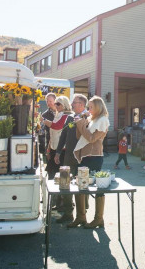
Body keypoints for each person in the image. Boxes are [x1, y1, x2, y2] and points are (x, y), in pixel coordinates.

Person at [71, 95, 109, 229]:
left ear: (98, 107)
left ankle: (99, 218)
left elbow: (92, 138)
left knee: (98, 187)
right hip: (86, 156)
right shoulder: (91, 120)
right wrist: (81, 123)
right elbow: (79, 136)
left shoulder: (103, 120)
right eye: (89, 107)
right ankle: (81, 217)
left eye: (91, 107)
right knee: (80, 185)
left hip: (95, 156)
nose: (89, 109)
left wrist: (81, 124)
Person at [54, 93, 88, 224]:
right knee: (64, 183)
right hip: (68, 157)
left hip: (82, 157)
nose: (72, 104)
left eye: (74, 102)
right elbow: (63, 136)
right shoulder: (69, 118)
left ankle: (82, 214)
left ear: (81, 104)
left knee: (81, 185)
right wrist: (57, 152)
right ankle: (68, 213)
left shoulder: (89, 117)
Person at [44, 96, 72, 180]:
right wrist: (48, 150)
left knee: (60, 175)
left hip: (62, 150)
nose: (56, 105)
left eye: (58, 104)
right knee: (51, 174)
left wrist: (43, 120)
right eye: (55, 103)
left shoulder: (67, 115)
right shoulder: (57, 115)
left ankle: (60, 192)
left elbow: (57, 126)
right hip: (53, 149)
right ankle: (52, 192)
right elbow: (52, 134)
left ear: (65, 105)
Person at [41, 93, 57, 158]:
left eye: (50, 101)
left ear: (55, 101)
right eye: (47, 101)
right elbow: (42, 131)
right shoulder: (44, 115)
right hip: (49, 143)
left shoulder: (62, 112)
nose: (48, 103)